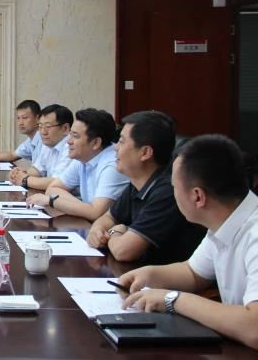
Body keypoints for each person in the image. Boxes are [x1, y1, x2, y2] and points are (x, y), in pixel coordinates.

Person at [120, 135, 258, 350]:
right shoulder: (225, 219)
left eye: (174, 187)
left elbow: (254, 328)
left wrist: (172, 300)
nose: (172, 194)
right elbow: (193, 273)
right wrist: (149, 274)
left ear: (197, 197)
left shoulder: (254, 232)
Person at [86, 111, 205, 263]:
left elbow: (124, 251)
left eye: (121, 142)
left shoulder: (168, 191)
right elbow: (108, 217)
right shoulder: (137, 183)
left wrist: (115, 232)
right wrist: (97, 231)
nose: (115, 148)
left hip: (169, 276)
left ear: (145, 153)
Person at [27, 108, 128, 221]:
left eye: (75, 136)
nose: (68, 141)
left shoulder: (113, 165)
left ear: (96, 143)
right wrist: (84, 208)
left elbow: (96, 213)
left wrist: (52, 201)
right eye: (70, 135)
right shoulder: (82, 157)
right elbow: (52, 188)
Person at [9, 104, 73, 191]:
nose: (43, 132)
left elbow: (58, 183)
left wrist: (25, 179)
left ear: (65, 128)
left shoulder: (72, 146)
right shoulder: (50, 143)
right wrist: (19, 174)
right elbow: (37, 170)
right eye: (40, 126)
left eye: (48, 126)